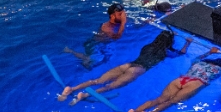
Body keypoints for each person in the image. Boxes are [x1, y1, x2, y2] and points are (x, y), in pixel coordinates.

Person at [124, 47, 221, 112]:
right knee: (170, 102)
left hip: (181, 79)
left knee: (159, 99)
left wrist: (210, 52)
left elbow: (197, 57)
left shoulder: (199, 62)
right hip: (196, 83)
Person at [57, 30, 192, 105]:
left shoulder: (147, 46)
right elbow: (181, 53)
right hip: (137, 70)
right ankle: (84, 95)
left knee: (97, 81)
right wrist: (187, 43)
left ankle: (72, 89)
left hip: (127, 65)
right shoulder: (165, 52)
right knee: (110, 87)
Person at [62, 2, 128, 68]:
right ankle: (69, 51)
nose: (123, 16)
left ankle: (87, 62)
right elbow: (117, 37)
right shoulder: (107, 27)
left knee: (106, 58)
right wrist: (123, 22)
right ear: (112, 16)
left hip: (100, 43)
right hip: (95, 45)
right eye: (120, 15)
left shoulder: (116, 23)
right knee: (93, 58)